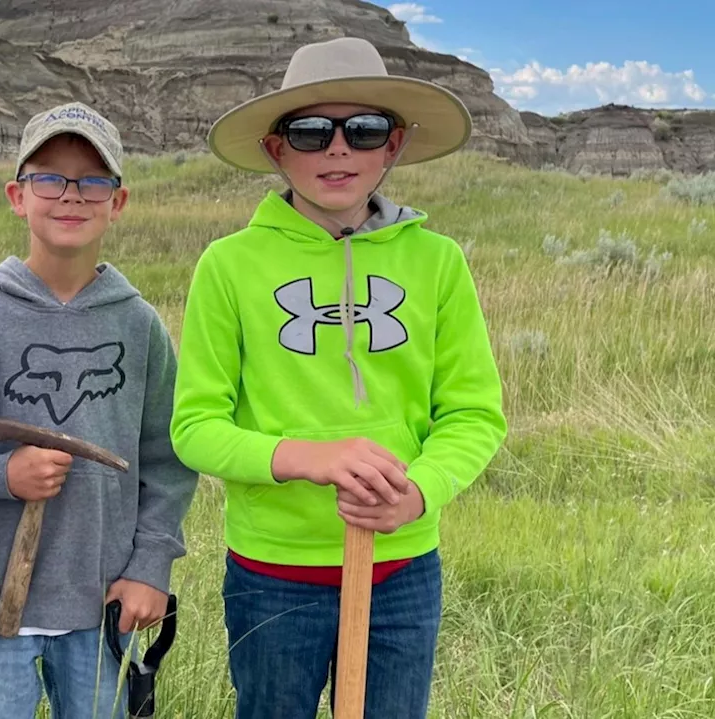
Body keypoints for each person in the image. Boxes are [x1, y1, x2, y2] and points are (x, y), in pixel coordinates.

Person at [169, 37, 508, 718]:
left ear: (394, 146)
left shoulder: (438, 263)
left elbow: (475, 414)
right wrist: (310, 458)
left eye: (365, 130)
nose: (338, 149)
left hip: (403, 567)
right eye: (311, 131)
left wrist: (416, 492)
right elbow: (195, 428)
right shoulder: (228, 266)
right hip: (273, 571)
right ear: (277, 149)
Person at [0, 102, 199, 718]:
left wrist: (151, 565)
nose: (72, 196)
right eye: (50, 178)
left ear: (117, 202)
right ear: (18, 196)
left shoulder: (139, 325)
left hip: (102, 601)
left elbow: (167, 459)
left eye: (93, 181)